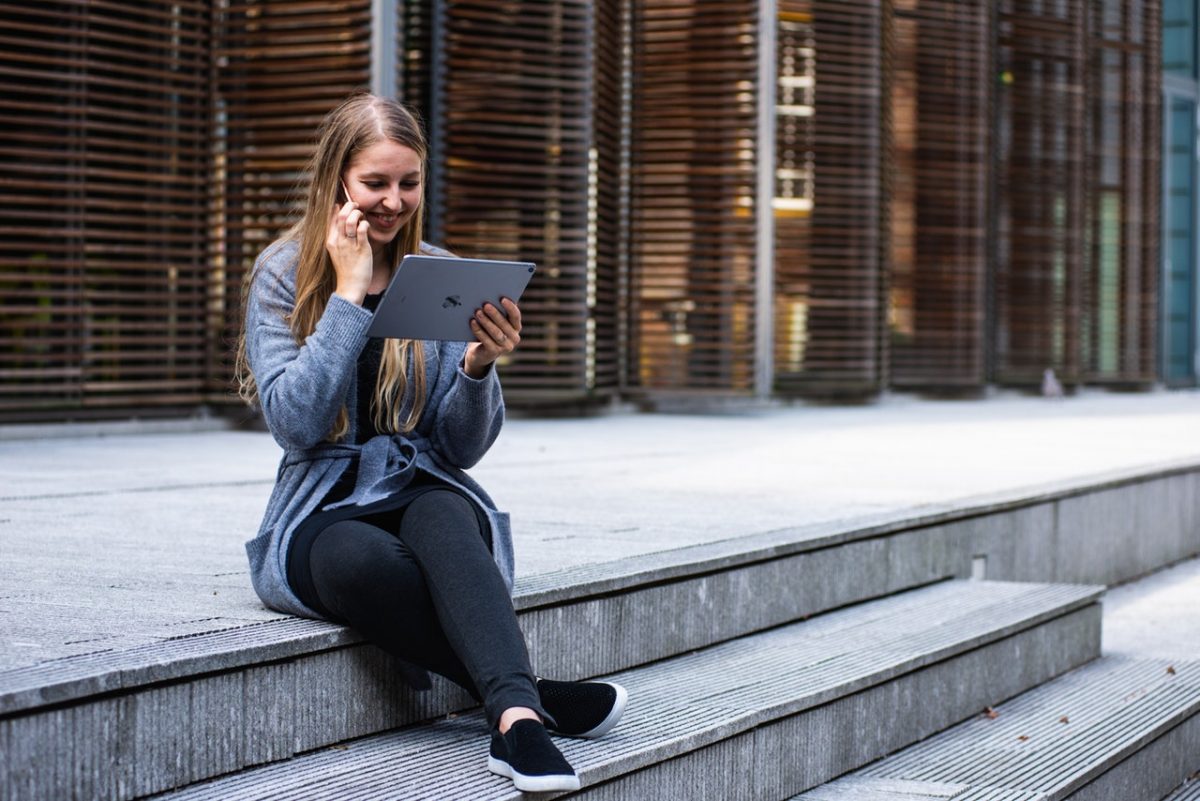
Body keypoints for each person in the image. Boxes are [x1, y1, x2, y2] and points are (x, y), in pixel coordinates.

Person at [235, 92, 625, 793]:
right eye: (374, 183)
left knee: (446, 515)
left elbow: (460, 449)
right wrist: (350, 297)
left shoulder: (439, 272)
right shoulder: (283, 272)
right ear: (338, 181)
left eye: (407, 183)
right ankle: (531, 698)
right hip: (322, 505)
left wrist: (479, 367)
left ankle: (514, 724)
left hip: (422, 484)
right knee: (363, 562)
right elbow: (294, 424)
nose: (392, 201)